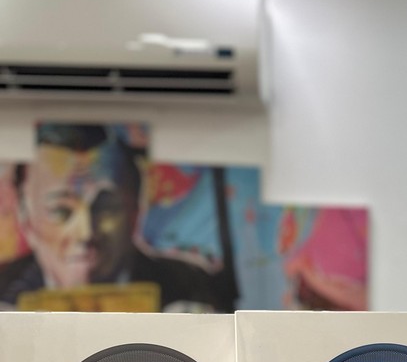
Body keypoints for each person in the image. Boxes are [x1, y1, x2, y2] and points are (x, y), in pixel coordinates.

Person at [0, 123, 238, 311]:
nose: (85, 233)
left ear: (136, 209)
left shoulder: (195, 290)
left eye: (105, 207)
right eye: (61, 211)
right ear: (25, 218)